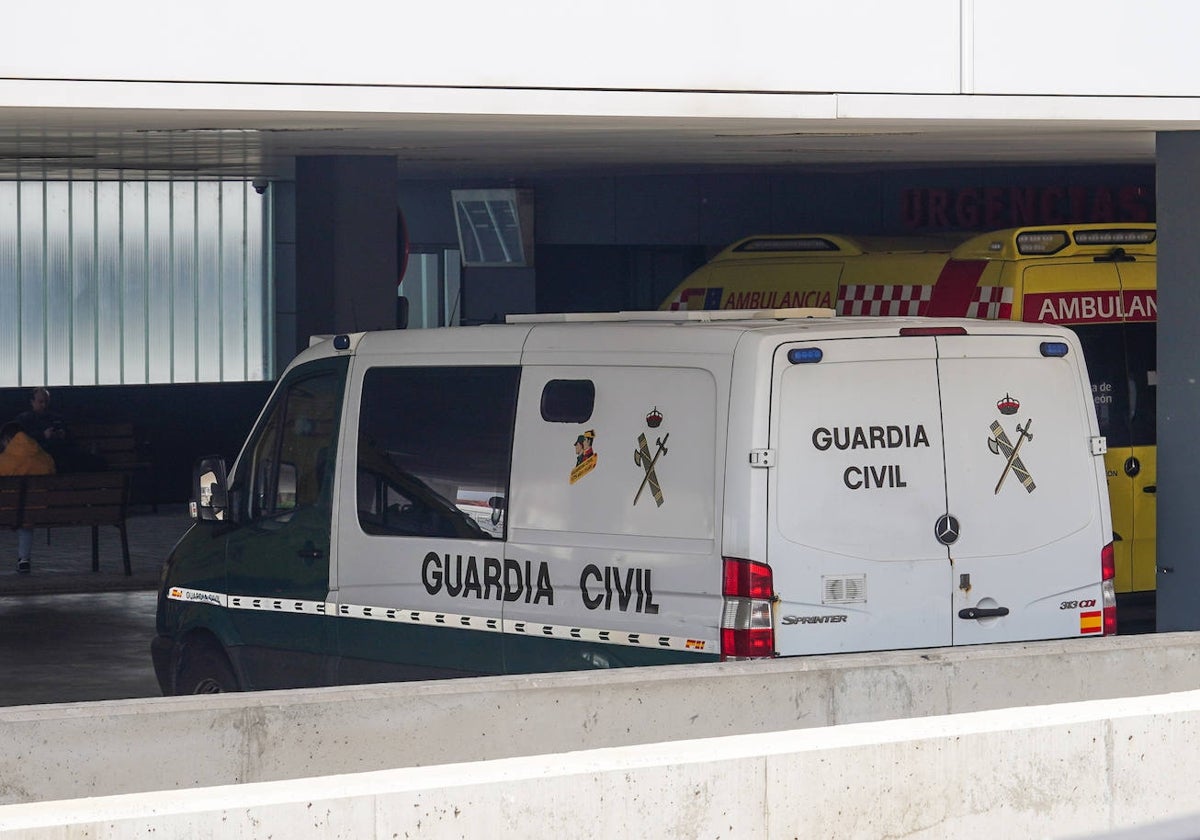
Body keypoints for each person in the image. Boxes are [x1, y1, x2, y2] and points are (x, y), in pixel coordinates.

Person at [0, 420, 56, 574]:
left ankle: (24, 559)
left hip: (7, 510)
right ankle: (24, 559)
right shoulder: (44, 457)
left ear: (6, 440)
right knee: (26, 515)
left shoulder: (3, 461)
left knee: (20, 511)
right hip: (39, 508)